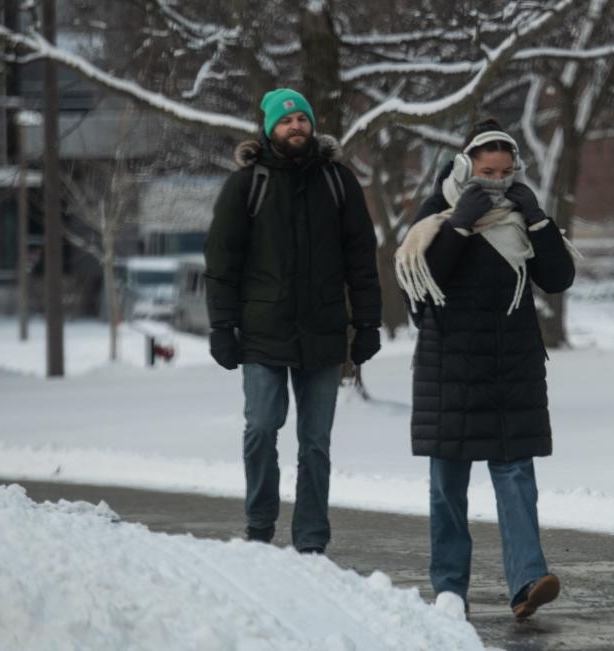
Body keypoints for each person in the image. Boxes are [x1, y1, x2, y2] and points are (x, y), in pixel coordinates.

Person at [394, 119, 579, 620]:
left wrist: (539, 221)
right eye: (486, 170)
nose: (495, 180)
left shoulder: (522, 216)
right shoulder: (436, 214)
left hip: (510, 367)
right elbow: (422, 287)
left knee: (516, 474)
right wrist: (457, 226)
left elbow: (558, 277)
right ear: (466, 165)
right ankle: (450, 588)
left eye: (505, 171)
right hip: (449, 366)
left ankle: (527, 582)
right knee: (448, 483)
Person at [204, 88, 382, 554]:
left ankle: (310, 540)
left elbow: (362, 259)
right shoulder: (247, 185)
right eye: (285, 121)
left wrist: (367, 324)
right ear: (268, 129)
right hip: (262, 333)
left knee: (315, 444)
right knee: (262, 428)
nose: (296, 126)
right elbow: (221, 262)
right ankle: (260, 527)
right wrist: (221, 327)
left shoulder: (338, 181)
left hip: (323, 334)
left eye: (302, 118)